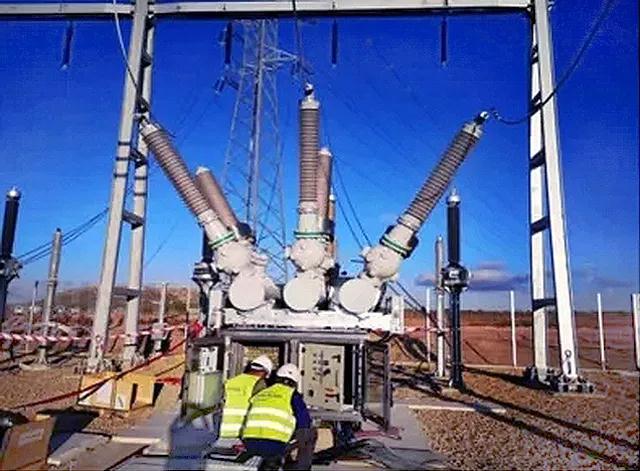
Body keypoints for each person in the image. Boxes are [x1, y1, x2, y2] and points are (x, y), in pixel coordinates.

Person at [242, 363, 316, 471]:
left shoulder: (261, 393)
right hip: (274, 446)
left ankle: (279, 461)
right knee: (310, 433)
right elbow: (305, 422)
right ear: (295, 381)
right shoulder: (292, 395)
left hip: (249, 444)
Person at [219, 355, 273, 440]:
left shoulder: (230, 382)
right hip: (243, 433)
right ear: (265, 372)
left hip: (223, 432)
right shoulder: (260, 385)